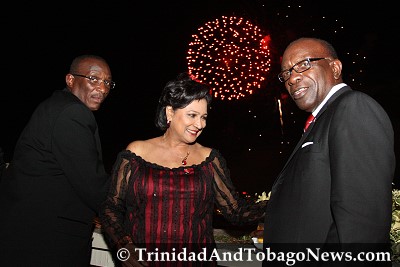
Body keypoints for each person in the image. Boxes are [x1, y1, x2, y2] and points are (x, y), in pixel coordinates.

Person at [100, 72, 267, 267]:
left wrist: (282, 202)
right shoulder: (136, 153)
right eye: (192, 115)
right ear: (170, 113)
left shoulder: (209, 159)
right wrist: (124, 246)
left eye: (204, 117)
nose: (200, 124)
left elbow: (235, 211)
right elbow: (110, 207)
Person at [263, 37, 395, 266]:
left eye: (304, 64)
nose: (292, 78)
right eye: (285, 74)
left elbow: (362, 226)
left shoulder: (353, 107)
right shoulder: (321, 122)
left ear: (335, 67)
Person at [0, 54, 113, 266]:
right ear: (70, 80)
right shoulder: (73, 113)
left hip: (27, 235)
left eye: (107, 82)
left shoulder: (55, 106)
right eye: (93, 79)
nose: (102, 88)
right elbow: (93, 185)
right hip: (46, 243)